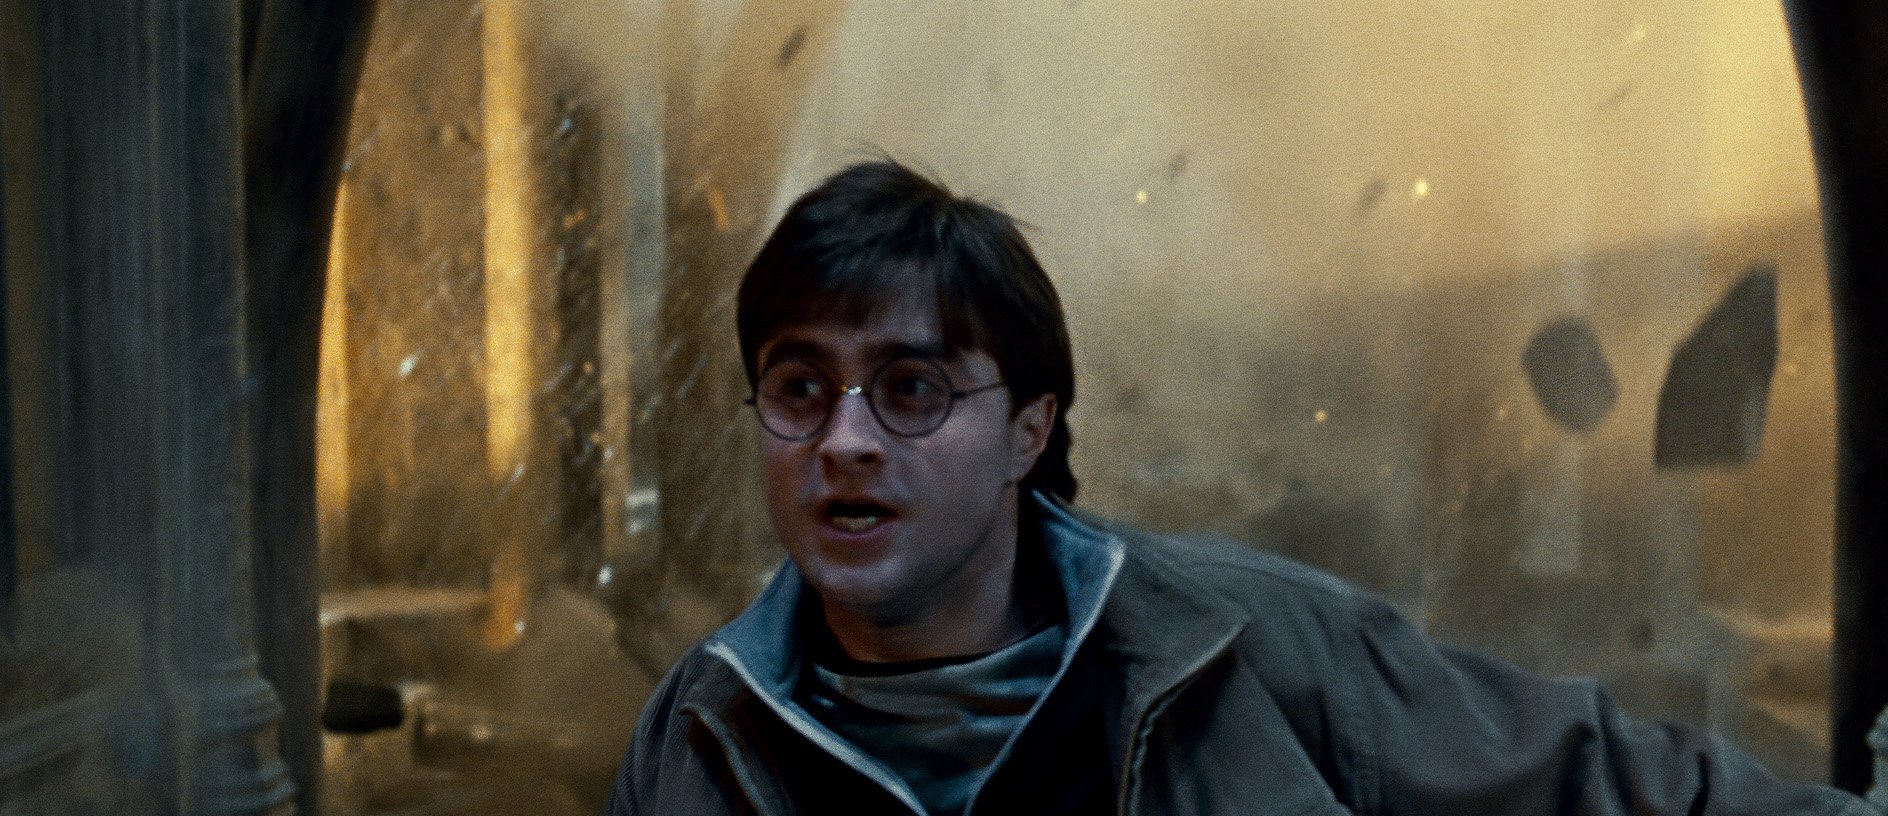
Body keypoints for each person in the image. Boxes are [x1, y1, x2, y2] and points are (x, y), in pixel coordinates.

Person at [607, 159, 1876, 815]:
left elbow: (1609, 788)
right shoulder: (700, 736)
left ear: (1028, 430)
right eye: (799, 387)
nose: (843, 440)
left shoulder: (1244, 653)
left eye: (912, 390)